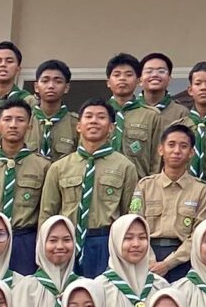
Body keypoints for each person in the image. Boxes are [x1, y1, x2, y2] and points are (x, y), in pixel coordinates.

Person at [37, 103, 141, 279]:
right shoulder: (59, 167)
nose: (94, 121)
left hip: (104, 242)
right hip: (66, 243)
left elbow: (128, 215)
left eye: (101, 117)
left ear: (111, 128)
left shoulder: (125, 167)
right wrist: (43, 248)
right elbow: (47, 213)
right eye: (88, 116)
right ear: (78, 126)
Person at [128, 126, 206, 272]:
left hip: (184, 260)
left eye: (183, 146)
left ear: (191, 152)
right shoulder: (145, 186)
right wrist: (150, 261)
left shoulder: (201, 190)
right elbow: (134, 225)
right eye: (171, 145)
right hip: (146, 257)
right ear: (161, 149)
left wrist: (169, 263)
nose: (177, 151)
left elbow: (199, 234)